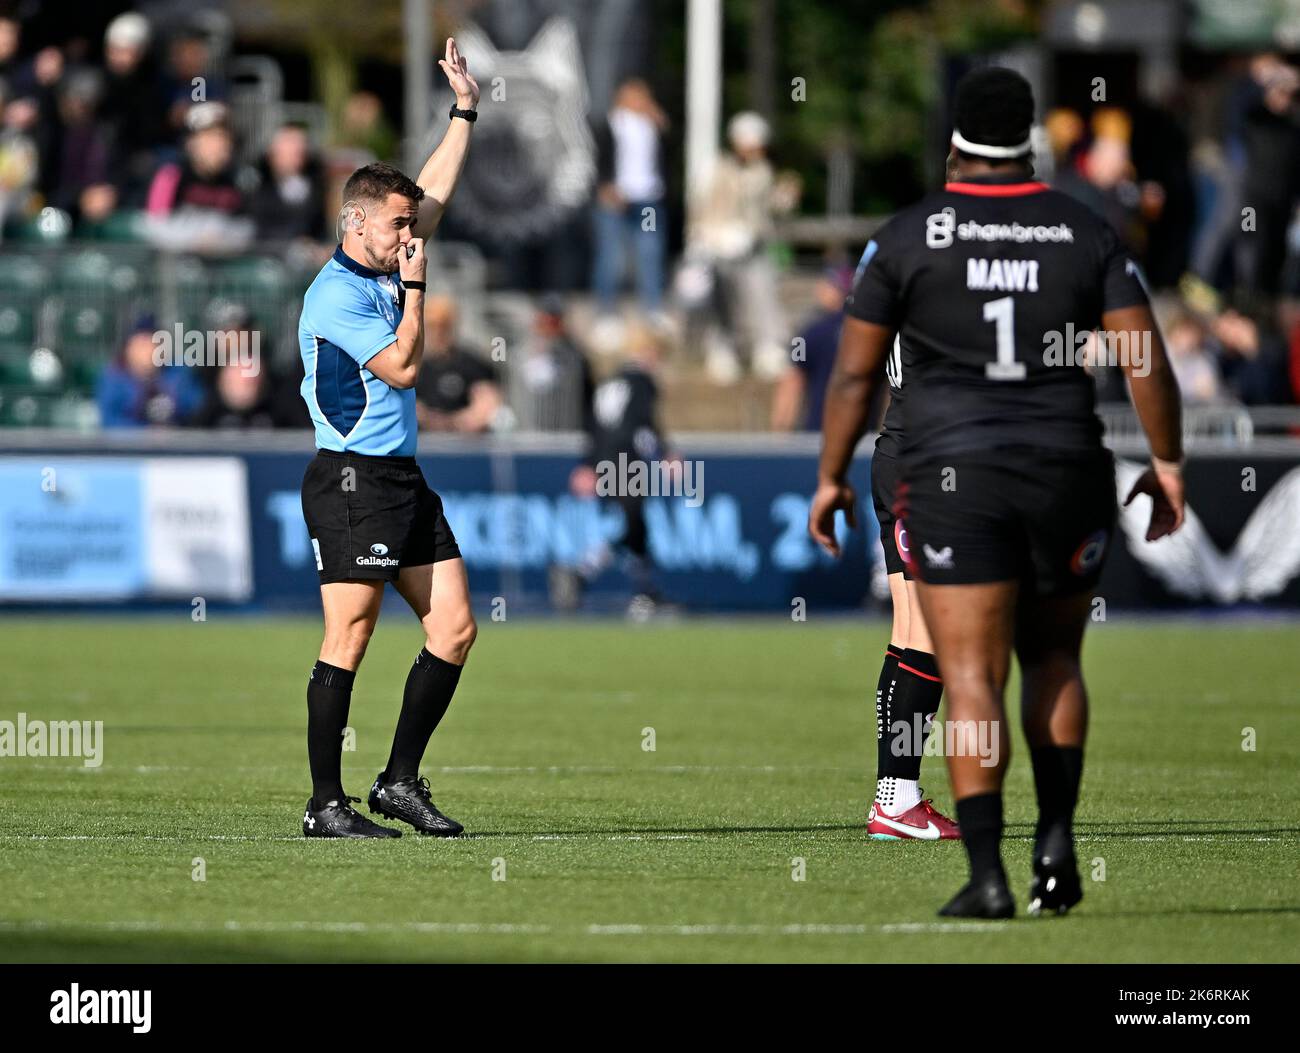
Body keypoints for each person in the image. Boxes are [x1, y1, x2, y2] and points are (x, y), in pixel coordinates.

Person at [810, 68, 1185, 917]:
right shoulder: (1085, 227)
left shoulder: (908, 237)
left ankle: (985, 874)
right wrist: (1168, 461)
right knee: (1053, 657)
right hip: (1062, 462)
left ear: (953, 145)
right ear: (1034, 142)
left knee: (966, 670)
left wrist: (828, 474)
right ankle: (1053, 839)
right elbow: (1144, 356)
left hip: (947, 466)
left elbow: (852, 371)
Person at [295, 38, 479, 840]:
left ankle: (398, 780)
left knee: (456, 628)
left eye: (413, 226)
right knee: (352, 634)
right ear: (358, 222)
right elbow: (404, 369)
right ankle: (323, 804)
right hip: (349, 480)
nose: (414, 233)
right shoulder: (337, 293)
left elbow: (431, 186)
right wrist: (416, 285)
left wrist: (464, 109)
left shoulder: (383, 254)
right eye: (400, 224)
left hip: (401, 477)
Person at [590, 77, 670, 346]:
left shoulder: (652, 124)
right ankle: (607, 315)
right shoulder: (611, 124)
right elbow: (597, 159)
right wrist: (606, 187)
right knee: (612, 258)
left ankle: (652, 310)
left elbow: (665, 154)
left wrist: (658, 120)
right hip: (616, 200)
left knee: (650, 254)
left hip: (647, 199)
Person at [414, 294, 501, 433]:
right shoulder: (414, 367)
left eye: (443, 326)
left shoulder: (472, 364)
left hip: (465, 444)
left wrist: (455, 422)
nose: (437, 333)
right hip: (424, 445)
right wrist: (428, 419)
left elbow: (487, 404)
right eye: (431, 326)